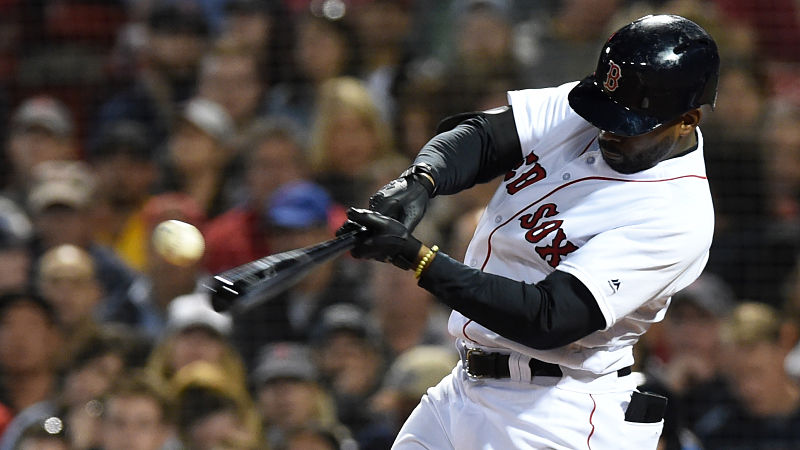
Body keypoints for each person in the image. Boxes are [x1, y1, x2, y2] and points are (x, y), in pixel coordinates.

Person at [338, 14, 720, 449]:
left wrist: (418, 259)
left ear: (688, 119)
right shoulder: (593, 109)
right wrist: (419, 181)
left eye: (630, 123)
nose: (609, 130)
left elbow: (547, 318)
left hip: (556, 412)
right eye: (607, 112)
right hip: (463, 387)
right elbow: (482, 137)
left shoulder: (676, 216)